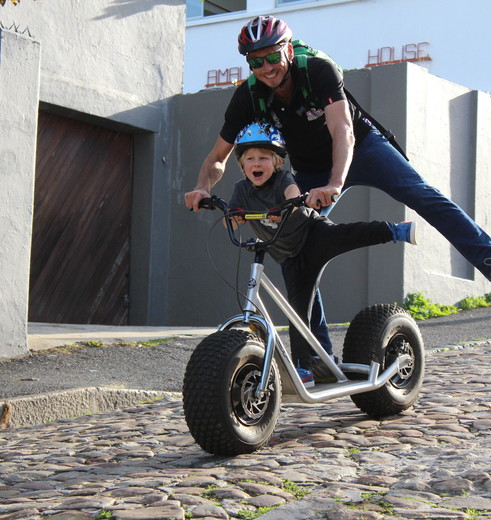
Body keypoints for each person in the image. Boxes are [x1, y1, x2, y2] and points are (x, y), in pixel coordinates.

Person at [185, 15, 491, 371]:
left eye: (271, 57)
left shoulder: (318, 70)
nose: (265, 67)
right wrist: (201, 186)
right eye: (255, 61)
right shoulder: (248, 96)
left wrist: (334, 183)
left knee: (423, 195)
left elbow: (342, 128)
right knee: (296, 248)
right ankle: (318, 359)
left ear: (287, 49)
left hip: (362, 149)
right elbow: (217, 157)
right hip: (311, 169)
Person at [228, 122, 417, 387]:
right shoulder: (241, 190)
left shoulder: (283, 179)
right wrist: (229, 215)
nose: (256, 164)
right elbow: (235, 220)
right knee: (297, 311)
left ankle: (395, 231)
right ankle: (304, 368)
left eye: (263, 158)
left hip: (312, 235)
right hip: (289, 256)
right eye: (250, 159)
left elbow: (293, 196)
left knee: (348, 235)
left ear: (277, 162)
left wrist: (284, 208)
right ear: (242, 164)